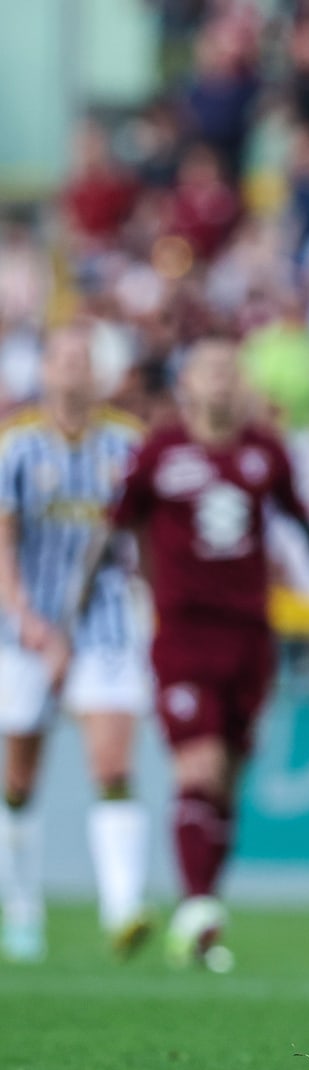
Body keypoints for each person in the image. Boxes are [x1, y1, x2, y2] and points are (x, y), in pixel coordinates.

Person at [106, 337, 309, 970]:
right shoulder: (159, 450)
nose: (221, 382)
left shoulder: (265, 450)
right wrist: (129, 593)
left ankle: (203, 910)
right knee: (200, 768)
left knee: (229, 782)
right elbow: (119, 524)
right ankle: (197, 905)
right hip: (184, 631)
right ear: (187, 384)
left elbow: (302, 521)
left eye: (229, 372)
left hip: (249, 634)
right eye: (209, 370)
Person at [0, 326, 153, 963]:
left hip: (108, 624)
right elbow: (4, 543)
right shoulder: (17, 449)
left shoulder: (128, 446)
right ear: (45, 372)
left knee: (113, 765)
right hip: (25, 631)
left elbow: (148, 539)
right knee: (19, 778)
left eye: (83, 360)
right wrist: (27, 618)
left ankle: (123, 910)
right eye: (63, 358)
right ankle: (23, 907)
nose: (73, 371)